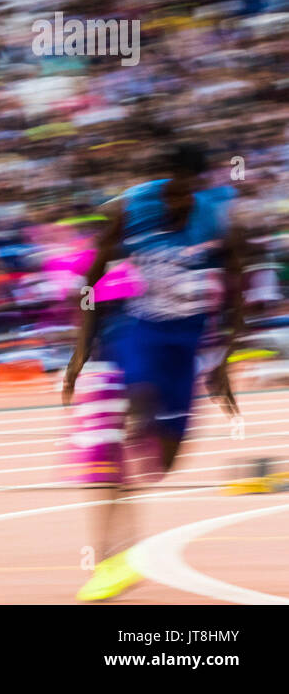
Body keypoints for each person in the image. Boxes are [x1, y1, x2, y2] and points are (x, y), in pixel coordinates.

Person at [63, 140, 244, 602]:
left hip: (188, 343)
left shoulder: (218, 218)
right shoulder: (131, 209)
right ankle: (115, 555)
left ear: (199, 188)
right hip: (139, 330)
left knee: (162, 463)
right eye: (169, 192)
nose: (175, 203)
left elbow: (237, 288)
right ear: (160, 183)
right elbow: (91, 277)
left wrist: (223, 360)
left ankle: (135, 447)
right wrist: (81, 349)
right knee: (134, 419)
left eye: (184, 195)